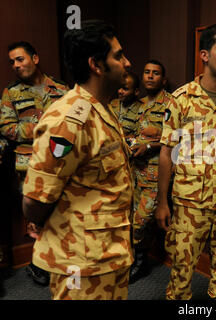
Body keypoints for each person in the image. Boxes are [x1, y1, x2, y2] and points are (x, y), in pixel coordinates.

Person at [21, 20, 134, 300]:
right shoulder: (69, 119)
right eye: (118, 56)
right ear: (96, 64)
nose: (127, 63)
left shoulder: (98, 110)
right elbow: (35, 200)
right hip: (81, 262)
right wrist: (42, 221)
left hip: (107, 253)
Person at [156, 23, 216, 300]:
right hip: (191, 204)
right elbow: (167, 153)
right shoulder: (181, 100)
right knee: (181, 273)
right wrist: (162, 202)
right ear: (204, 55)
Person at [0, 41, 69, 286]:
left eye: (20, 59)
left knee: (62, 215)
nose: (16, 66)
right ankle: (39, 265)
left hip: (60, 163)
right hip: (29, 168)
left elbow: (72, 122)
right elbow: (7, 127)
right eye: (12, 62)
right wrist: (39, 128)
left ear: (35, 58)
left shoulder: (60, 88)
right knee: (36, 219)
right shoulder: (11, 93)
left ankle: (57, 264)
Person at [128, 60, 172, 283]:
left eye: (156, 73)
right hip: (135, 172)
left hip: (155, 174)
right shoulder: (139, 104)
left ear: (163, 80)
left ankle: (139, 259)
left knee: (141, 219)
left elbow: (174, 139)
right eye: (146, 72)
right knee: (132, 217)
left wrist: (149, 146)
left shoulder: (171, 104)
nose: (150, 76)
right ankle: (139, 259)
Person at [110, 72, 143, 143]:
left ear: (136, 91)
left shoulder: (141, 110)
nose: (120, 91)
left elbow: (139, 138)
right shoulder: (113, 103)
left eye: (125, 89)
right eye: (119, 87)